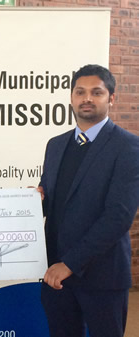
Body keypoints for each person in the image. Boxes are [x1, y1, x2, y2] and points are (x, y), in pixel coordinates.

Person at [37, 64, 139, 337]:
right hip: (56, 278)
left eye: (97, 92)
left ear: (111, 98)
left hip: (102, 278)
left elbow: (119, 216)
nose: (87, 98)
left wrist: (69, 264)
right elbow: (53, 203)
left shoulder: (128, 147)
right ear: (71, 97)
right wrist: (33, 201)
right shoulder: (55, 145)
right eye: (80, 92)